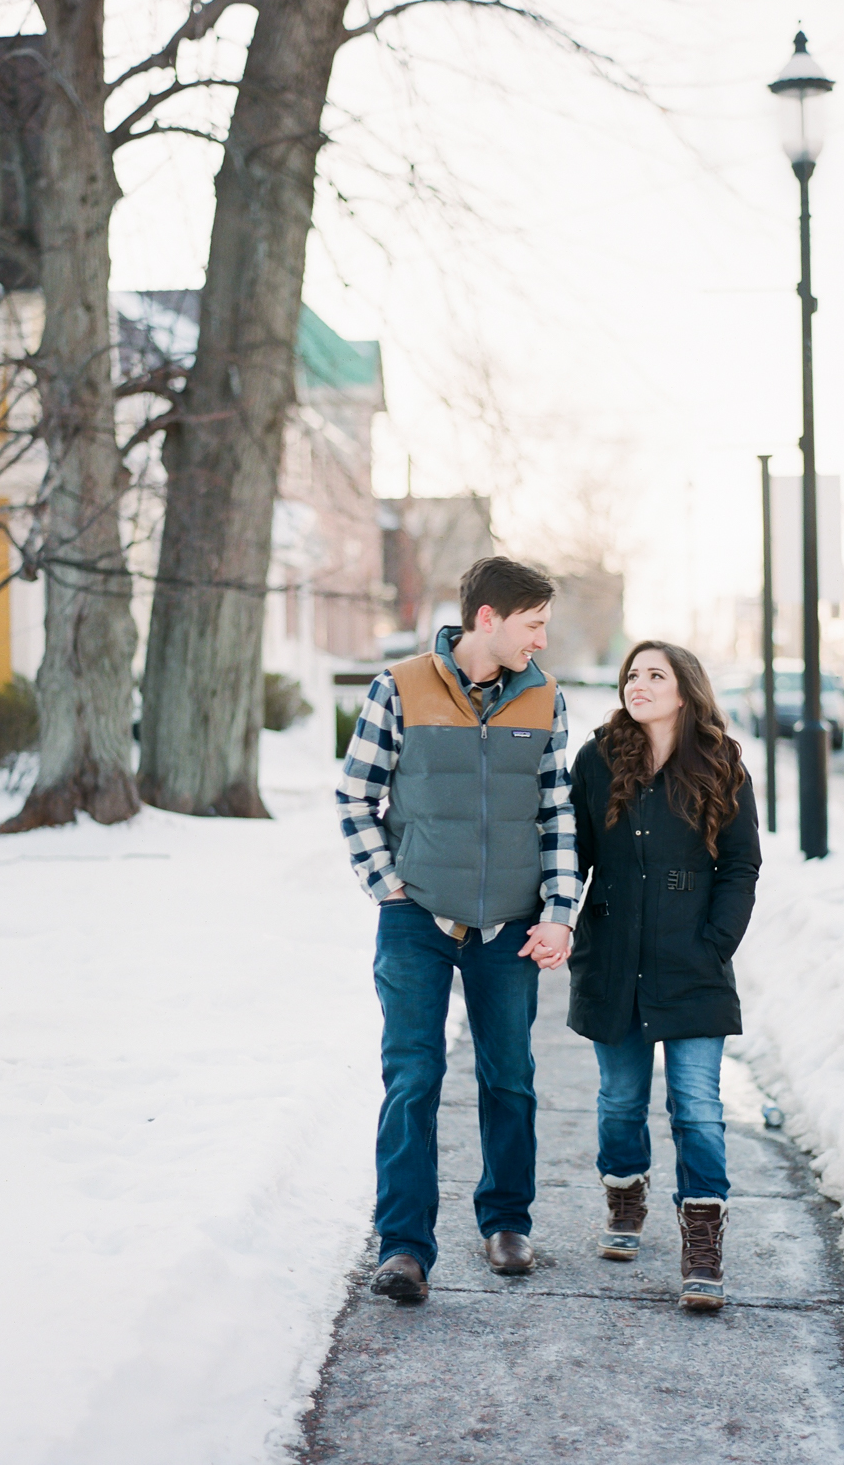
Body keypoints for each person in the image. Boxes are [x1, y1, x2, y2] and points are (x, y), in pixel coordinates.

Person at [336, 557, 580, 1304]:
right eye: (532, 624)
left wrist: (558, 911)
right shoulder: (399, 686)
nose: (540, 640)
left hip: (507, 925)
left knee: (509, 1078)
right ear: (488, 618)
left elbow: (555, 813)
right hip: (418, 923)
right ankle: (404, 1246)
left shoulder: (545, 700)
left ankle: (506, 1223)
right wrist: (390, 890)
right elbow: (355, 798)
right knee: (412, 1079)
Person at [567, 640, 761, 1310]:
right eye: (631, 674)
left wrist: (716, 940)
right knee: (620, 1100)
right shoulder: (595, 762)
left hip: (692, 964)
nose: (638, 683)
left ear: (685, 691)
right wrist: (557, 919)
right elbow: (572, 857)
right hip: (613, 961)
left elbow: (740, 865)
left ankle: (701, 1242)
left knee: (696, 1107)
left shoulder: (721, 765)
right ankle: (624, 1200)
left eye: (655, 674)